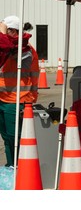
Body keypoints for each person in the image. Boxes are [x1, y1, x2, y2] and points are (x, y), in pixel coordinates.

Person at [0, 16, 39, 167]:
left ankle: (20, 168)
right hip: (3, 98)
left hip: (17, 99)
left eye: (5, 31)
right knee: (6, 137)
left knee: (14, 137)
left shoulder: (25, 49)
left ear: (14, 32)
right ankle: (11, 166)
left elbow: (9, 51)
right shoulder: (7, 45)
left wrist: (29, 101)